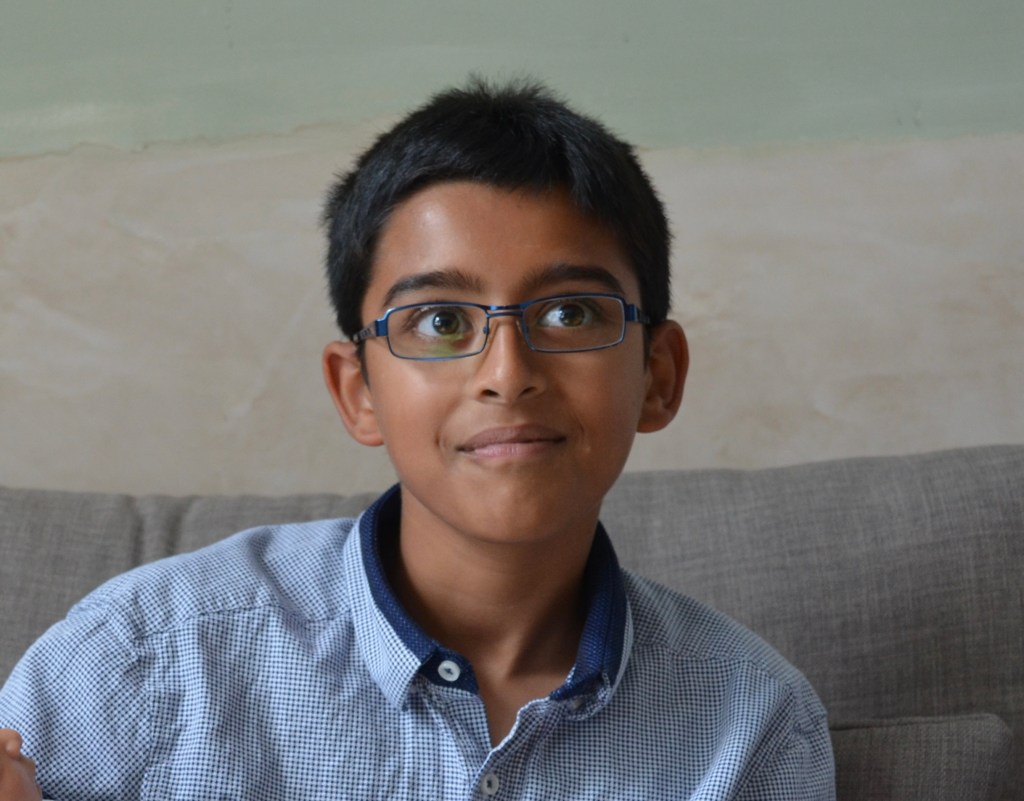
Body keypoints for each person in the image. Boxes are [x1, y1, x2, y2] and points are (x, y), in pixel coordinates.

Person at [0, 78, 835, 799]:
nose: (507, 373)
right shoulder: (146, 656)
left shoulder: (754, 724)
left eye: (570, 312)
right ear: (357, 390)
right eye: (440, 321)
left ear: (658, 373)